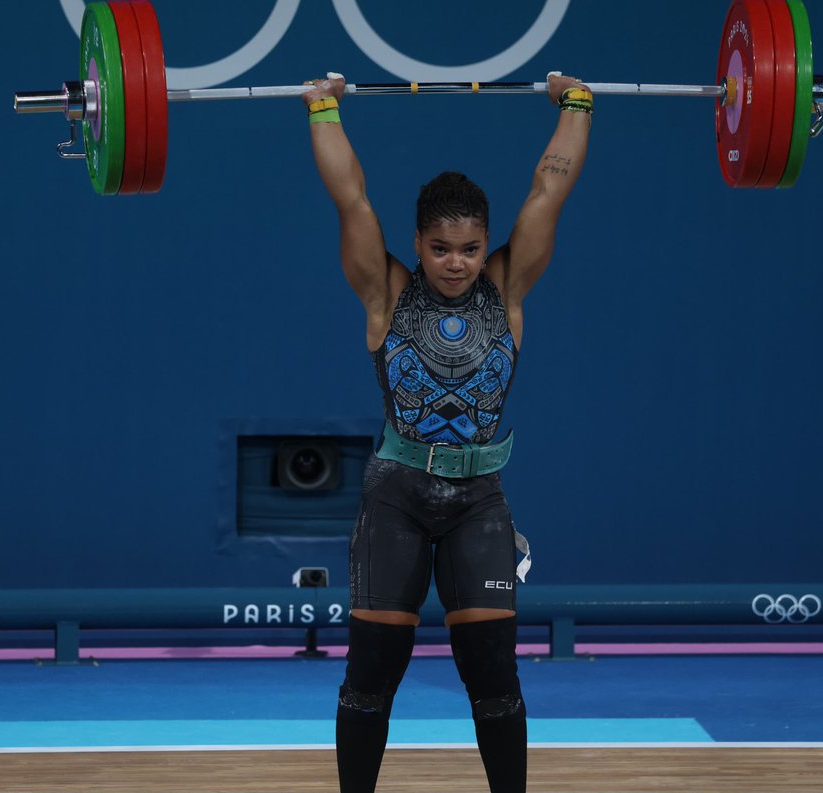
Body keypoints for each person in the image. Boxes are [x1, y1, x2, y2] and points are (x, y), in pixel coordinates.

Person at [302, 70, 592, 793]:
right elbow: (351, 198)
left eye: (468, 248)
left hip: (478, 501)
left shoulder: (508, 290)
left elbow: (549, 190)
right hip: (396, 496)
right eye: (439, 247)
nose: (456, 262)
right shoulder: (386, 291)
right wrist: (323, 108)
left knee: (493, 671)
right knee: (372, 675)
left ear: (486, 243)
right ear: (418, 244)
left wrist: (577, 104)